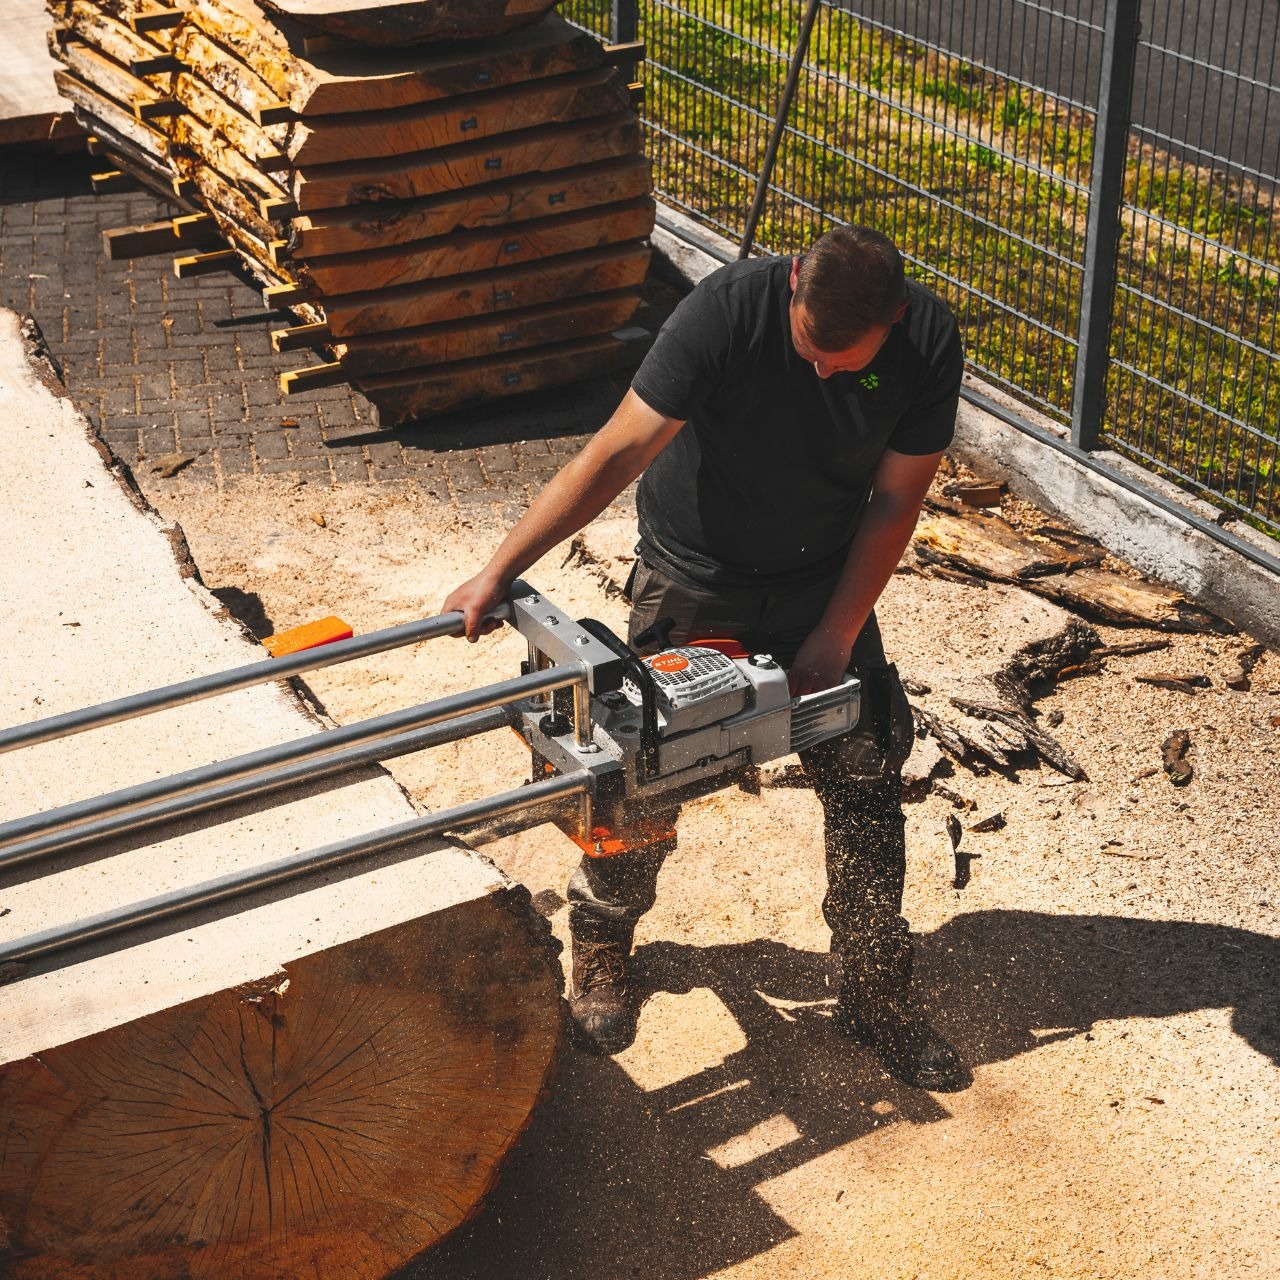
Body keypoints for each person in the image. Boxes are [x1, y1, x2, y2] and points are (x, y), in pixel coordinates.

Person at [443, 225, 968, 1091]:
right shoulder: (722, 314)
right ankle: (605, 941)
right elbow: (615, 450)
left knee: (869, 775)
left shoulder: (927, 342)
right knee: (643, 771)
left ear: (897, 317)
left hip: (825, 579)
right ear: (793, 285)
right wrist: (501, 569)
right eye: (813, 353)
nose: (830, 374)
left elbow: (895, 501)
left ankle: (876, 990)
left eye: (849, 363)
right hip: (697, 577)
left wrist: (836, 635)